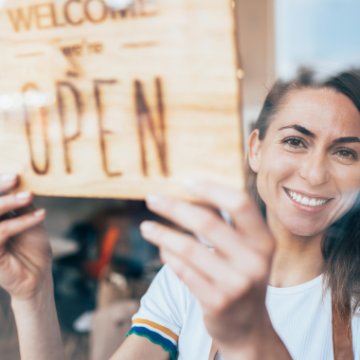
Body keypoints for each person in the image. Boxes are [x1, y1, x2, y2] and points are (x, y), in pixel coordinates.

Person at [1, 68, 360, 360]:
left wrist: (253, 341)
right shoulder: (190, 277)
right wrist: (33, 295)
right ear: (255, 150)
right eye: (295, 141)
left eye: (345, 153)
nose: (315, 174)